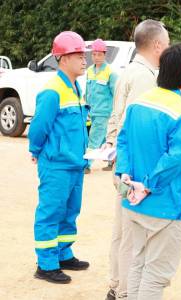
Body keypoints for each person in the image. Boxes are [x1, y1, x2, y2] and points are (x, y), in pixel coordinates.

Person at [115, 42, 181, 300]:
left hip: (134, 200)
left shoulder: (139, 103)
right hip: (165, 202)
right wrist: (149, 185)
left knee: (138, 262)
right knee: (157, 273)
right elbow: (176, 158)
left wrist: (125, 174)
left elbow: (123, 140)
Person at [103, 19, 170, 300]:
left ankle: (116, 284)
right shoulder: (145, 77)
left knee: (122, 230)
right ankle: (126, 291)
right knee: (132, 233)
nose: (167, 50)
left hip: (123, 163)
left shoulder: (129, 71)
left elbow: (116, 119)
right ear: (156, 45)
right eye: (166, 44)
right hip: (134, 166)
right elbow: (140, 128)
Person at [28, 31, 90, 284]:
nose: (84, 60)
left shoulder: (75, 86)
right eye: (78, 56)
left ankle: (64, 254)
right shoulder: (53, 90)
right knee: (51, 212)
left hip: (75, 163)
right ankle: (46, 264)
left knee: (70, 212)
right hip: (56, 164)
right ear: (62, 59)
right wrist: (36, 150)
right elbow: (39, 127)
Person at [85, 38, 118, 174]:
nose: (96, 57)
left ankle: (86, 164)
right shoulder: (89, 71)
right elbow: (87, 92)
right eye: (94, 54)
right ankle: (112, 161)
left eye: (99, 54)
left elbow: (116, 94)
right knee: (105, 138)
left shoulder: (110, 72)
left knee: (94, 138)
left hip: (104, 113)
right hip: (92, 111)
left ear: (105, 55)